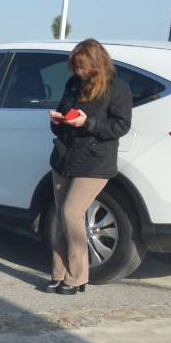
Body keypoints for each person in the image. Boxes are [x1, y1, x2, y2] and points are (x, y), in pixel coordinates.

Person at [44, 39, 132, 295]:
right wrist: (58, 120)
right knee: (62, 215)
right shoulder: (73, 84)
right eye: (76, 67)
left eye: (82, 67)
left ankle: (78, 275)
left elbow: (120, 126)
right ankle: (58, 273)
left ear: (96, 63)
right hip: (64, 157)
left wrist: (88, 123)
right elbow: (64, 113)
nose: (78, 72)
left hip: (95, 160)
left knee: (72, 213)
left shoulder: (117, 88)